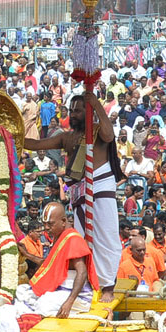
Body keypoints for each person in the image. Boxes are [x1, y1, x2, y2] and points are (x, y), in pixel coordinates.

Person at [24, 90, 120, 294]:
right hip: (79, 194)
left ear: (89, 112)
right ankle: (87, 281)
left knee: (106, 238)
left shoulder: (97, 130)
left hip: (100, 190)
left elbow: (110, 135)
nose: (74, 115)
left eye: (79, 111)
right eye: (72, 111)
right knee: (81, 241)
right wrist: (15, 130)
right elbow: (34, 144)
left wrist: (96, 104)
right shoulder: (66, 137)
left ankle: (108, 286)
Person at [17, 201, 98, 315]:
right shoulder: (58, 236)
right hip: (60, 288)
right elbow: (49, 263)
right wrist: (27, 254)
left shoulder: (73, 239)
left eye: (50, 224)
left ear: (63, 221)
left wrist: (69, 302)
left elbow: (82, 272)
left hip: (77, 295)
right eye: (44, 224)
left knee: (43, 305)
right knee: (21, 292)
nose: (46, 228)